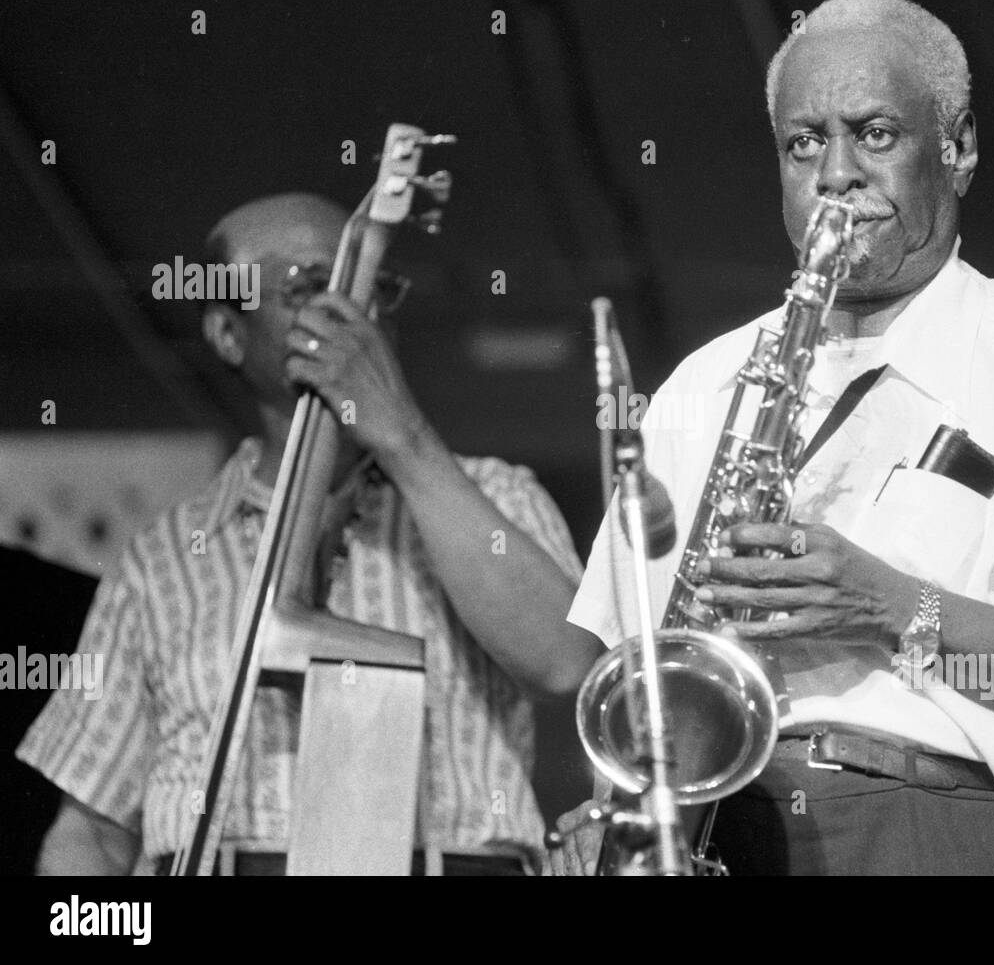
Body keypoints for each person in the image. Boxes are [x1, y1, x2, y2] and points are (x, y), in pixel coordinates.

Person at [553, 0, 994, 876]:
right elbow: (618, 669)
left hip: (940, 832)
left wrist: (894, 606)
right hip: (710, 838)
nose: (835, 174)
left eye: (873, 134)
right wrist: (618, 808)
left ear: (960, 147)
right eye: (803, 143)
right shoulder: (704, 382)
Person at [18, 192, 603, 876]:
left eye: (372, 287)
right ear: (227, 332)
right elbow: (90, 831)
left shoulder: (497, 494)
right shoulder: (162, 557)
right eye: (308, 286)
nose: (351, 313)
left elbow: (565, 661)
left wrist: (399, 433)